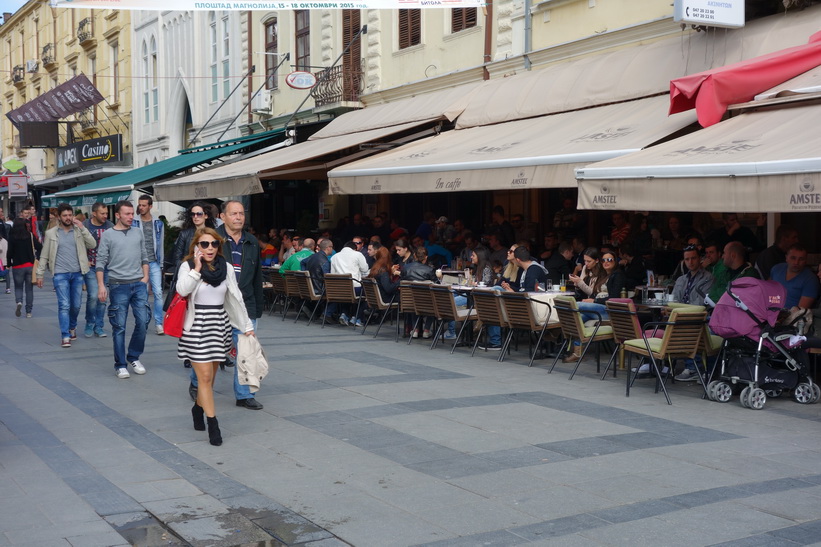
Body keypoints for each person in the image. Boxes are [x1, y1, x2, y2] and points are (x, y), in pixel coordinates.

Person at [177, 227, 255, 447]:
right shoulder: (188, 266)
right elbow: (182, 290)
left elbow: (236, 297)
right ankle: (213, 424)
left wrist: (246, 325)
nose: (209, 248)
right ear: (196, 246)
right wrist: (197, 269)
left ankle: (197, 408)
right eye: (204, 244)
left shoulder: (226, 267)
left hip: (219, 325)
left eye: (214, 244)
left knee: (209, 379)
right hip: (196, 326)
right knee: (203, 377)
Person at [190, 200, 265, 410]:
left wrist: (257, 309)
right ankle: (197, 383)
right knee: (208, 350)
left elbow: (257, 276)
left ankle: (244, 395)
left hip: (245, 305)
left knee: (246, 352)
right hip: (216, 305)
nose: (239, 217)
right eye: (234, 214)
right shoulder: (211, 239)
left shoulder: (251, 241)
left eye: (241, 213)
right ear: (223, 216)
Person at [95, 201, 150, 378]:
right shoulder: (108, 235)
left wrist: (145, 277)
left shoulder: (137, 232)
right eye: (127, 214)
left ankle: (133, 356)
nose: (130, 216)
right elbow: (100, 261)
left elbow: (144, 256)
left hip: (138, 284)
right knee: (119, 327)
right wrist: (101, 285)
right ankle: (120, 364)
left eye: (132, 213)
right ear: (117, 215)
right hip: (118, 285)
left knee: (143, 321)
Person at [35, 203, 97, 348]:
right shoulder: (51, 233)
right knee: (64, 305)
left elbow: (92, 244)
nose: (68, 218)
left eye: (70, 215)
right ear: (59, 217)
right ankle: (65, 335)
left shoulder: (78, 231)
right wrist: (40, 274)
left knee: (75, 306)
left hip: (77, 274)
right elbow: (44, 256)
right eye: (65, 215)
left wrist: (82, 227)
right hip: (60, 274)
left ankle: (72, 326)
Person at [133, 195, 166, 335]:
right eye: (140, 205)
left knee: (158, 292)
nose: (141, 207)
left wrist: (162, 263)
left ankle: (159, 323)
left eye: (144, 205)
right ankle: (144, 321)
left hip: (154, 262)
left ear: (150, 206)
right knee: (143, 293)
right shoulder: (134, 223)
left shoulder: (158, 223)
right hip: (139, 263)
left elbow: (161, 244)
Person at [82, 202, 114, 338]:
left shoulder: (110, 226)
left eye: (106, 213)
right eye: (102, 213)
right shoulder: (85, 225)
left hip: (106, 267)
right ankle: (90, 322)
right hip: (91, 266)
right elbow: (79, 244)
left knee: (103, 297)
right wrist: (84, 260)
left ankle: (99, 326)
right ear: (94, 213)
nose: (105, 216)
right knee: (93, 295)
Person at [7, 217, 42, 318]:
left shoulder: (12, 237)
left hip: (17, 266)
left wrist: (9, 264)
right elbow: (40, 247)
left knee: (18, 287)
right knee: (29, 289)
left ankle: (19, 302)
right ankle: (29, 311)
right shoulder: (29, 235)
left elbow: (9, 253)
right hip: (30, 266)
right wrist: (38, 258)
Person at [330, 240, 370, 327]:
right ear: (354, 249)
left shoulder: (334, 257)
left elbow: (332, 274)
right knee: (367, 295)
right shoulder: (357, 254)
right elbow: (365, 269)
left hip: (339, 289)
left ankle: (344, 314)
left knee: (347, 294)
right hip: (355, 288)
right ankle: (357, 318)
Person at [576, 250, 623, 322]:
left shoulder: (618, 275)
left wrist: (594, 301)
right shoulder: (602, 275)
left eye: (609, 260)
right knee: (578, 318)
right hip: (598, 307)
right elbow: (594, 293)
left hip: (608, 310)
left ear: (615, 261)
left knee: (577, 305)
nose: (606, 262)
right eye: (603, 260)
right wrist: (588, 300)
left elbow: (614, 297)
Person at [770, 245, 819, 309]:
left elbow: (800, 311)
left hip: (790, 316)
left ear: (806, 261)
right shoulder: (776, 269)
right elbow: (767, 291)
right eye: (793, 258)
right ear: (786, 258)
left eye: (801, 259)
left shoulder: (811, 280)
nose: (796, 262)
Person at [172, 202, 216, 271]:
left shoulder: (213, 234)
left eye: (199, 214)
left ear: (206, 216)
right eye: (193, 214)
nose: (196, 217)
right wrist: (187, 269)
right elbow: (177, 258)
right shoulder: (184, 234)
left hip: (209, 272)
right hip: (189, 271)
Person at [0, 230, 9, 295]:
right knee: (7, 275)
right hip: (6, 260)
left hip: (1, 261)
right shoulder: (5, 240)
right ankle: (8, 288)